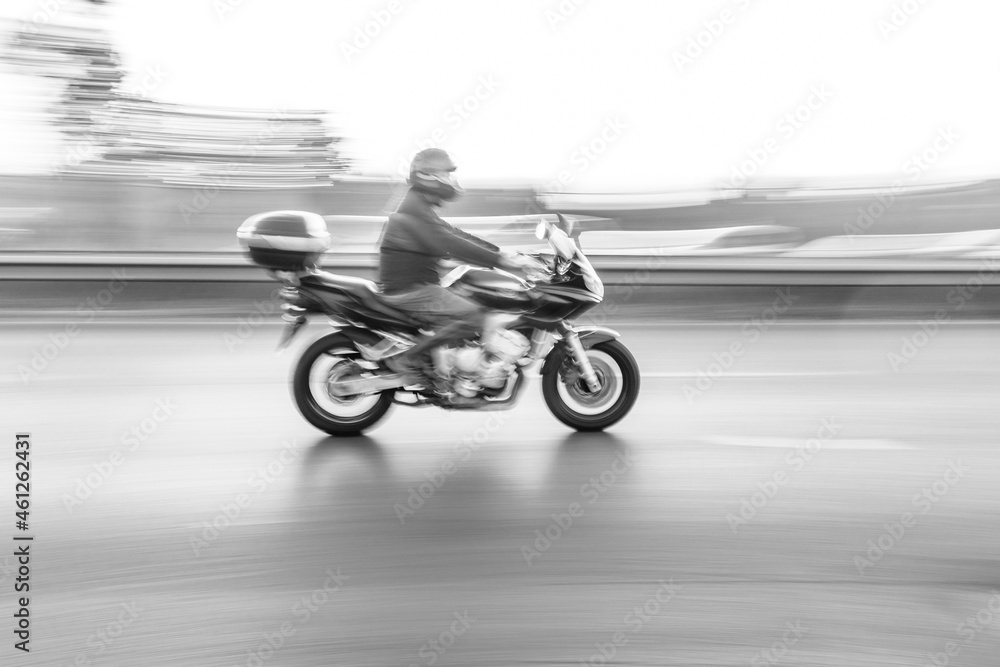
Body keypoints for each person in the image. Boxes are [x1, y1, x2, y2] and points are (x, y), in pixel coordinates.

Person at [378, 148, 541, 380]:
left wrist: (500, 253)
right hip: (411, 291)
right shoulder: (414, 210)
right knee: (474, 316)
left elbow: (454, 234)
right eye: (446, 174)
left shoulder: (420, 207)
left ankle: (452, 365)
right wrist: (499, 260)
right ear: (429, 176)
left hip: (418, 286)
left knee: (471, 297)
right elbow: (449, 243)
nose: (450, 180)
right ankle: (406, 359)